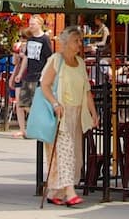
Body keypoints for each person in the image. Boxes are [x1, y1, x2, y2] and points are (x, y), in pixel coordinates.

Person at [39, 26, 97, 207]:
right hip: (61, 114)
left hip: (77, 114)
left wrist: (93, 113)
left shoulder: (80, 63)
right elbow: (45, 85)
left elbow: (87, 92)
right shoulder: (56, 60)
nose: (79, 44)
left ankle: (55, 192)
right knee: (66, 153)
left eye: (80, 40)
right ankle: (70, 193)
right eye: (76, 40)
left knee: (76, 156)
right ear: (65, 43)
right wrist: (55, 103)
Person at [10, 16, 52, 139]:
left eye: (33, 24)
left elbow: (49, 58)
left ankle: (37, 127)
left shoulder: (45, 39)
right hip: (29, 74)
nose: (31, 26)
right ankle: (28, 128)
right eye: (30, 24)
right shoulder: (30, 40)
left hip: (40, 74)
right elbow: (26, 58)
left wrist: (45, 74)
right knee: (24, 103)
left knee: (37, 102)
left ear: (40, 24)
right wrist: (20, 73)